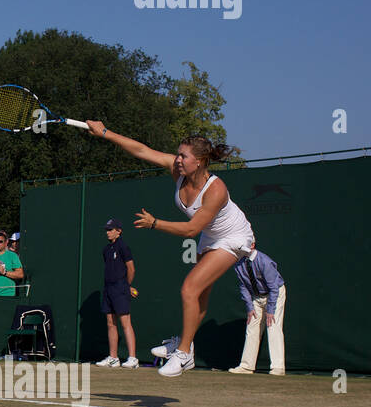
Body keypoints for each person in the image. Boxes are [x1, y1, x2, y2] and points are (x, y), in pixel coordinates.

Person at [88, 122, 254, 377]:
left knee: (189, 288)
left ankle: (184, 354)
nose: (177, 160)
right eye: (177, 154)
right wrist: (106, 133)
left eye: (183, 156)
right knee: (200, 295)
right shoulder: (178, 171)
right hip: (211, 236)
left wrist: (155, 223)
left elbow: (190, 230)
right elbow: (142, 151)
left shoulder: (216, 189)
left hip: (233, 237)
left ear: (198, 161)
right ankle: (184, 342)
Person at [229, 245, 287, 376]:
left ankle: (278, 367)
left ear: (252, 245)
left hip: (275, 295)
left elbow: (274, 288)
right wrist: (249, 306)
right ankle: (246, 366)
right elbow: (243, 286)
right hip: (256, 297)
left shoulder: (264, 261)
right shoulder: (238, 264)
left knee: (273, 326)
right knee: (252, 327)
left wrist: (270, 310)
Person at [96, 218, 139, 369]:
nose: (108, 232)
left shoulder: (123, 247)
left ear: (118, 231)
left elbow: (131, 269)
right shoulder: (106, 250)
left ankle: (133, 358)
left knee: (125, 323)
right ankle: (113, 358)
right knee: (110, 323)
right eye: (107, 230)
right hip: (108, 288)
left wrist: (126, 286)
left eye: (110, 229)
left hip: (120, 287)